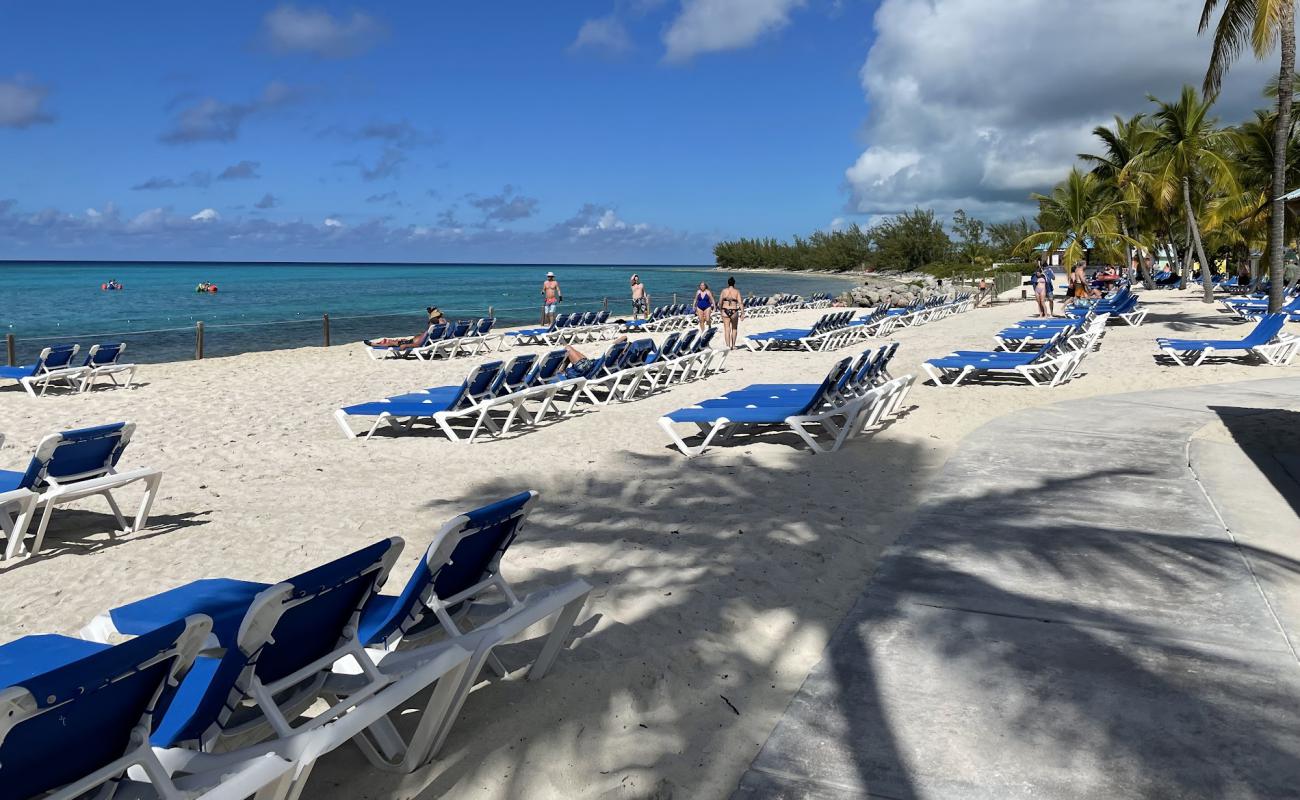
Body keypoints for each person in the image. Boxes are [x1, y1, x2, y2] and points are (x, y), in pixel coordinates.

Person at [561, 336, 627, 378]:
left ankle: (561, 371)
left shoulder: (612, 352)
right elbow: (624, 337)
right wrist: (623, 349)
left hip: (587, 368)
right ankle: (562, 370)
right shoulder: (615, 359)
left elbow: (623, 337)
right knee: (569, 349)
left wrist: (623, 348)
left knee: (567, 348)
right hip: (591, 365)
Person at [718, 276, 743, 349]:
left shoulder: (724, 291)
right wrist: (742, 313)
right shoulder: (737, 291)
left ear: (728, 283)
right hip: (734, 310)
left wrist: (720, 309)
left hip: (725, 310)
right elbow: (740, 302)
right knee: (734, 328)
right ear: (734, 283)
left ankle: (728, 346)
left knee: (726, 328)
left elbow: (720, 302)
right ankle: (733, 345)